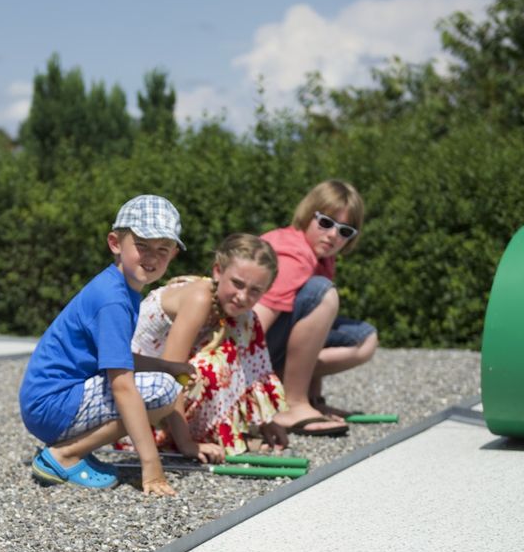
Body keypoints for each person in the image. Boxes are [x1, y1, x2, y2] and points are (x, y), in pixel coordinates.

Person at [19, 194, 187, 496]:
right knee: (163, 391)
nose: (151, 257)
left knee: (163, 380)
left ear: (173, 254)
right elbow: (121, 386)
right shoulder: (113, 299)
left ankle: (73, 449)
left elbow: (119, 359)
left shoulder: (118, 287)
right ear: (115, 243)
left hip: (49, 401)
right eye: (142, 245)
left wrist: (167, 365)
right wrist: (151, 465)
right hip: (52, 405)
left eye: (162, 249)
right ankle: (64, 455)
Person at [130, 233, 288, 460]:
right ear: (217, 271)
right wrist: (187, 445)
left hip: (158, 383)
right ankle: (178, 435)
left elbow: (252, 369)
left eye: (255, 290)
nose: (242, 296)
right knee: (212, 365)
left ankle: (224, 430)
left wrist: (264, 421)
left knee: (247, 324)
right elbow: (171, 375)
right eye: (237, 284)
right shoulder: (200, 298)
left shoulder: (232, 308)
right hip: (133, 387)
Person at [257, 180, 377, 437]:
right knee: (323, 294)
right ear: (308, 214)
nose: (334, 234)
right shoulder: (294, 254)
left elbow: (311, 330)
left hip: (272, 348)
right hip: (253, 348)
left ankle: (306, 397)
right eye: (326, 222)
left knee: (364, 338)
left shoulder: (321, 256)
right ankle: (293, 404)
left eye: (345, 231)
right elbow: (253, 324)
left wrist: (316, 398)